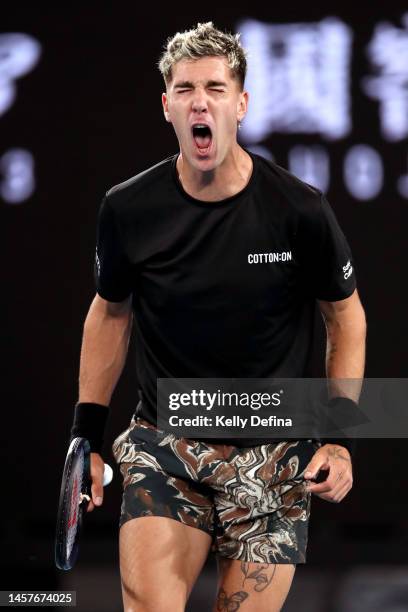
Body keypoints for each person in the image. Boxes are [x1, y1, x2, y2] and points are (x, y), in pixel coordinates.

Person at [70, 21, 366, 612]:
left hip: (275, 456)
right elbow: (110, 314)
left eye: (214, 87)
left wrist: (338, 440)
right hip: (166, 443)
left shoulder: (300, 210)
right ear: (166, 107)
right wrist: (86, 438)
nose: (199, 100)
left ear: (242, 104)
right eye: (184, 89)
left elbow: (346, 319)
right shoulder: (128, 208)